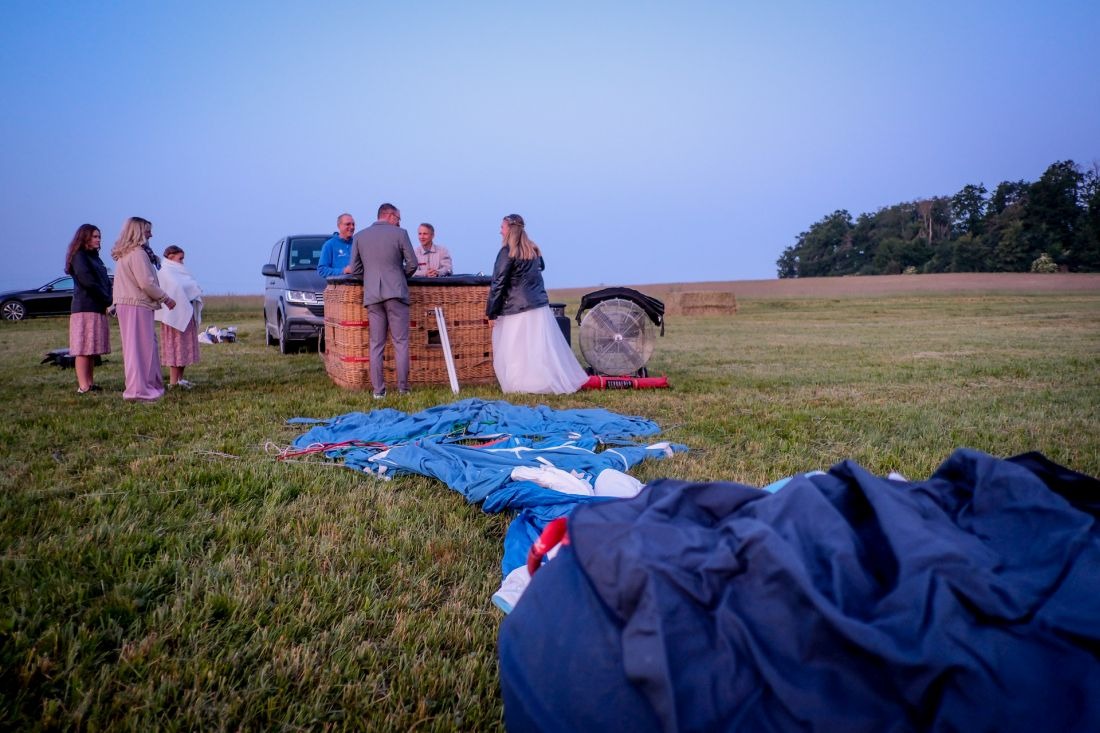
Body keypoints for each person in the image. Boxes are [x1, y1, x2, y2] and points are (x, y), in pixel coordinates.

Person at [486, 214, 588, 394]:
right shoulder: (532, 250)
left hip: (517, 308)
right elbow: (540, 267)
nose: (499, 231)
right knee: (537, 349)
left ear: (509, 229)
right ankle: (539, 382)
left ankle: (520, 385)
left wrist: (491, 312)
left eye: (501, 227)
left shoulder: (507, 252)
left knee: (515, 349)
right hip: (538, 306)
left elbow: (498, 283)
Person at [345, 203, 417, 397]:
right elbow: (412, 264)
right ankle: (403, 389)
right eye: (399, 218)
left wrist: (369, 280)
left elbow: (356, 269)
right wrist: (399, 277)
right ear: (390, 216)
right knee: (400, 342)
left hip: (372, 296)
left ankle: (378, 392)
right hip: (396, 293)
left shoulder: (360, 236)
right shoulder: (400, 234)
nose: (400, 222)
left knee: (376, 345)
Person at [111, 217, 175, 402]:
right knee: (140, 349)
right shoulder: (138, 254)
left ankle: (148, 385)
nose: (151, 235)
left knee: (141, 347)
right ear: (138, 232)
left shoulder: (126, 253)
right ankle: (139, 390)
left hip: (131, 304)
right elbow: (146, 283)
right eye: (147, 231)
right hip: (136, 305)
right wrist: (166, 298)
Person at [64, 223, 113, 394]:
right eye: (94, 236)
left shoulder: (95, 257)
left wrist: (109, 295)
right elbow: (88, 281)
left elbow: (105, 280)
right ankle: (83, 386)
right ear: (84, 237)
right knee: (83, 348)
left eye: (99, 236)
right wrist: (106, 297)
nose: (98, 240)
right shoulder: (79, 256)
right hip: (85, 307)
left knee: (91, 349)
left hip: (97, 307)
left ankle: (90, 383)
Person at [155, 245, 203, 388]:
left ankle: (180, 379)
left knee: (184, 349)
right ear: (170, 257)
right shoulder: (165, 271)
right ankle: (173, 381)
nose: (182, 262)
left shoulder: (178, 271)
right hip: (173, 316)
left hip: (186, 313)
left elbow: (190, 284)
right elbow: (176, 288)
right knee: (176, 350)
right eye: (180, 258)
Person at [317, 213, 356, 278]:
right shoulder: (329, 245)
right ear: (339, 226)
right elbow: (322, 270)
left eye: (353, 224)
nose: (352, 227)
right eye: (348, 224)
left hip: (359, 287)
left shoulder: (357, 244)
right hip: (338, 287)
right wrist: (344, 271)